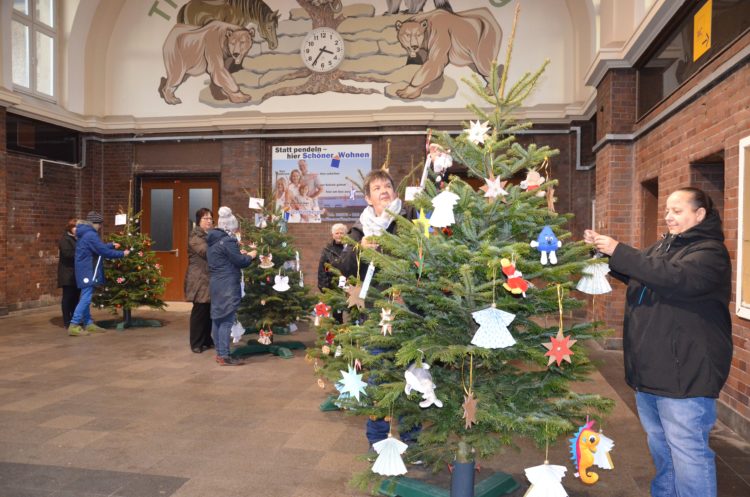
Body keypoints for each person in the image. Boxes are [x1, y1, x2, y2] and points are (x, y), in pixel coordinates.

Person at [584, 187, 732, 497]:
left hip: (685, 374)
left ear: (699, 214)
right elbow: (641, 272)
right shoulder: (667, 246)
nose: (668, 216)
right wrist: (603, 255)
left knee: (687, 452)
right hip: (652, 371)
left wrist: (619, 249)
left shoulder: (709, 253)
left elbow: (670, 277)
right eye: (667, 210)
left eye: (677, 211)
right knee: (663, 449)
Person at [337, 169, 419, 450]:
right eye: (377, 188)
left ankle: (413, 440)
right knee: (378, 380)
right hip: (375, 315)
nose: (383, 190)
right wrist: (359, 248)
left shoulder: (408, 219)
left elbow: (424, 252)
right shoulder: (360, 229)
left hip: (408, 312)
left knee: (413, 377)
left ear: (394, 192)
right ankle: (376, 441)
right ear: (368, 198)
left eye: (387, 186)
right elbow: (345, 267)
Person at [207, 206, 257, 366]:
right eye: (235, 229)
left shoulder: (212, 241)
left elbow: (225, 259)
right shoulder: (228, 241)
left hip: (216, 284)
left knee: (217, 319)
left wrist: (237, 254)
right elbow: (241, 262)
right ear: (230, 227)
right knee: (227, 320)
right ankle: (224, 355)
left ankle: (219, 353)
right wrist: (251, 255)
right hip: (228, 284)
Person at [68, 211, 130, 337]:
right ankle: (74, 324)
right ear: (95, 224)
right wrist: (122, 254)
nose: (100, 226)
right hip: (87, 270)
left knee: (85, 296)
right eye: (100, 224)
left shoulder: (86, 233)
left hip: (84, 269)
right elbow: (102, 251)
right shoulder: (90, 234)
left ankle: (88, 323)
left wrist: (111, 245)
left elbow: (98, 247)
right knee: (86, 297)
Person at [185, 208, 214, 353]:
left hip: (208, 278)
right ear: (199, 221)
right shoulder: (195, 237)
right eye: (205, 219)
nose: (209, 221)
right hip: (198, 278)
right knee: (199, 311)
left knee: (209, 310)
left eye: (210, 218)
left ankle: (207, 340)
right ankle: (196, 343)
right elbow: (206, 252)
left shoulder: (210, 235)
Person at [57, 218, 80, 329]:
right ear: (70, 228)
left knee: (76, 297)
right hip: (67, 274)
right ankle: (67, 321)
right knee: (67, 298)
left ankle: (75, 319)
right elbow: (68, 254)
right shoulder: (65, 239)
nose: (76, 229)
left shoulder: (79, 239)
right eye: (74, 227)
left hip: (77, 273)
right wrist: (82, 251)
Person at [317, 223, 348, 292]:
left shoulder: (350, 249)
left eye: (341, 233)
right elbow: (322, 271)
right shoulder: (327, 250)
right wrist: (324, 289)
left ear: (346, 234)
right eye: (337, 233)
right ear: (333, 235)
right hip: (332, 288)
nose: (339, 235)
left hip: (348, 288)